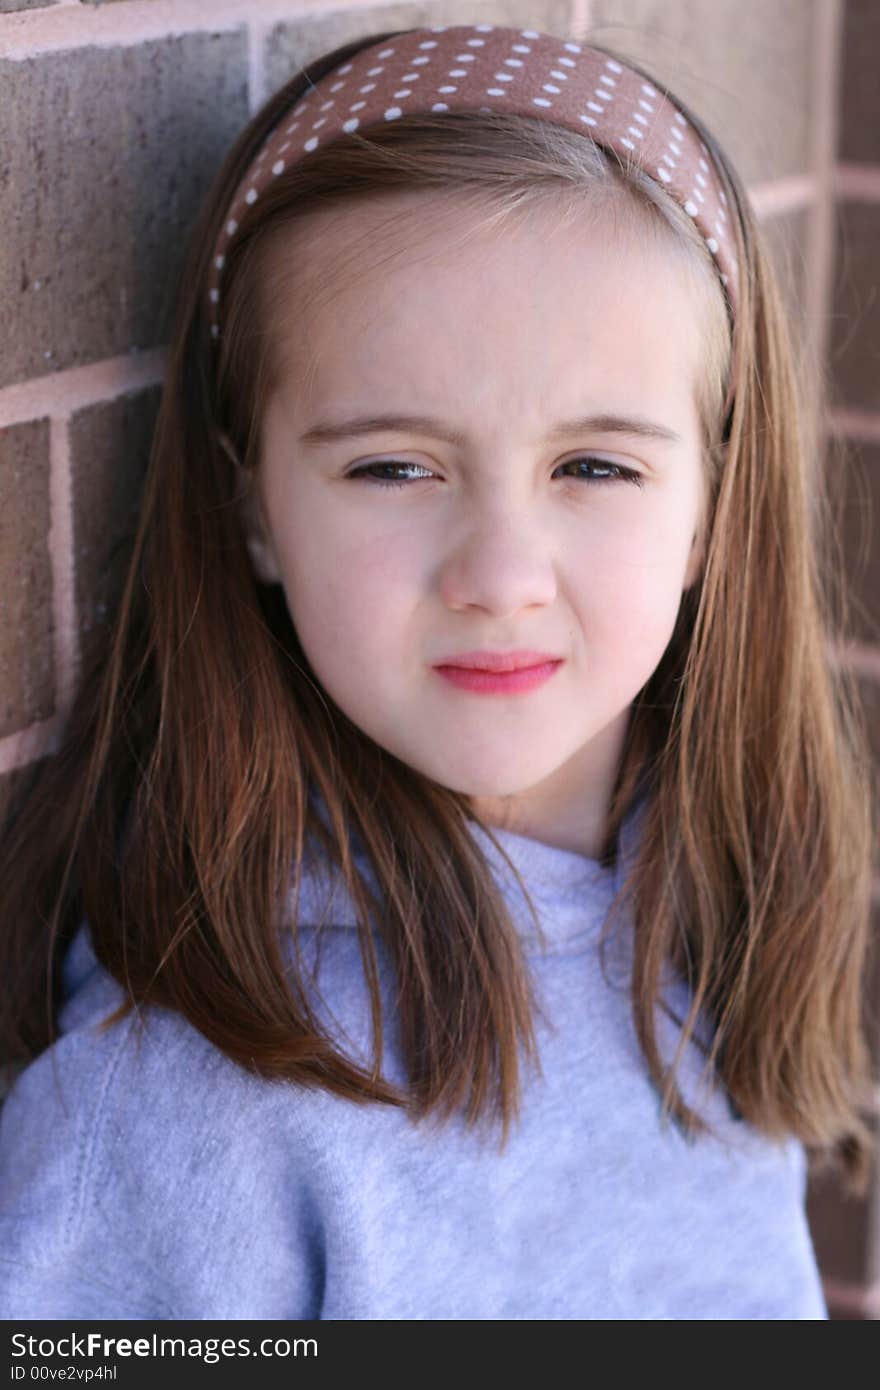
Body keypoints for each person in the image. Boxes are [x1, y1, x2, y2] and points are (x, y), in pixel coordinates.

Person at [0, 21, 874, 1321]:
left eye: (594, 466)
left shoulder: (718, 908)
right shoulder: (190, 1098)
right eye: (395, 467)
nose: (501, 571)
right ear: (253, 510)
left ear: (711, 507)